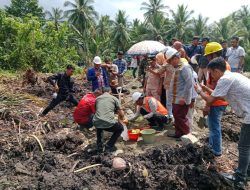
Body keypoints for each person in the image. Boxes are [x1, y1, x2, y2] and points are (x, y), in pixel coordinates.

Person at [195, 57, 250, 190]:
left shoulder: (225, 79)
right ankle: (246, 173)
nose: (212, 77)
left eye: (212, 73)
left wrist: (199, 91)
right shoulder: (233, 76)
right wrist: (205, 88)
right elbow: (217, 95)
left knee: (243, 147)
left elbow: (210, 99)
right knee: (247, 147)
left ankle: (239, 180)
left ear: (216, 70)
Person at [201, 42, 231, 156]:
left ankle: (216, 151)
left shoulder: (217, 69)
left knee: (214, 127)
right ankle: (212, 146)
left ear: (214, 54)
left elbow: (216, 91)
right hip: (217, 101)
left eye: (208, 55)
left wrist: (207, 105)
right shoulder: (222, 65)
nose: (207, 58)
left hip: (216, 102)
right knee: (213, 125)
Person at [165, 48, 193, 138]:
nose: (170, 63)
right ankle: (178, 133)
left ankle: (187, 134)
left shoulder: (185, 67)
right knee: (177, 116)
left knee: (180, 117)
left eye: (171, 61)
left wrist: (184, 97)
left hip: (181, 98)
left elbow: (189, 83)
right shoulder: (178, 68)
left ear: (176, 58)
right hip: (176, 97)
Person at [93, 87, 124, 152]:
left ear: (102, 92)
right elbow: (121, 114)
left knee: (99, 124)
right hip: (108, 122)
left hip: (96, 121)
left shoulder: (97, 99)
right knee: (120, 128)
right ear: (110, 92)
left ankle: (99, 146)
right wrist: (121, 120)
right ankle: (109, 145)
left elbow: (98, 111)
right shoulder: (114, 98)